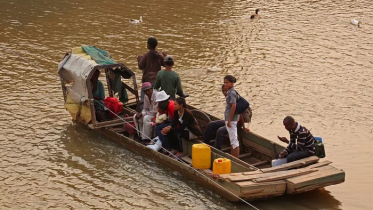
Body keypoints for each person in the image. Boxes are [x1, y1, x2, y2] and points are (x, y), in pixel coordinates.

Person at [203, 85, 250, 150]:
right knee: (211, 124)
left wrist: (243, 127)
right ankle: (206, 144)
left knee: (220, 131)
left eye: (226, 91)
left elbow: (240, 115)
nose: (224, 93)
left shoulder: (233, 98)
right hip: (228, 121)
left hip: (235, 123)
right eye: (223, 91)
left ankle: (217, 149)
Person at [137, 37, 166, 102]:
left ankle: (143, 110)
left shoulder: (146, 55)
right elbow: (164, 64)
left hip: (147, 80)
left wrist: (139, 59)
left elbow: (141, 66)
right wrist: (163, 56)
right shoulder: (159, 55)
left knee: (144, 99)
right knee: (156, 99)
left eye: (147, 44)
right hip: (156, 80)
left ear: (149, 45)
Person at [223, 75, 240, 158]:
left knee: (234, 141)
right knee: (232, 139)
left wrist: (229, 120)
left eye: (227, 82)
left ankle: (236, 160)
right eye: (224, 83)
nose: (225, 84)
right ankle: (233, 157)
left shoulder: (232, 92)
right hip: (229, 118)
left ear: (232, 83)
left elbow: (234, 107)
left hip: (231, 119)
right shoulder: (229, 92)